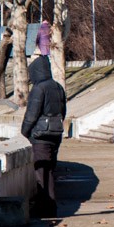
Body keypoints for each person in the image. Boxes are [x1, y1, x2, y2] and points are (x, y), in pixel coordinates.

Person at [21, 54, 67, 218]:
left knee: (42, 172)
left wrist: (25, 131)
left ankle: (48, 208)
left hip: (41, 135)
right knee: (50, 169)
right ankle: (46, 206)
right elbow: (63, 111)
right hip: (56, 133)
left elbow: (32, 114)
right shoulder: (57, 87)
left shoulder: (39, 88)